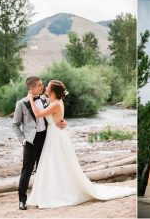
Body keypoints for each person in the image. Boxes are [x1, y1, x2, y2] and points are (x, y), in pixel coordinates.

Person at [26, 80, 135, 208]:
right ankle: (50, 191)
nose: (45, 87)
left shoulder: (56, 103)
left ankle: (58, 193)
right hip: (55, 134)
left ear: (53, 91)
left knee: (57, 163)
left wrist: (31, 100)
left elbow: (39, 114)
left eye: (48, 86)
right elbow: (56, 116)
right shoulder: (53, 101)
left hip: (55, 135)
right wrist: (62, 121)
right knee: (54, 163)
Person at [12, 76, 67, 210]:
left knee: (43, 169)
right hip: (30, 142)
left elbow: (56, 113)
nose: (42, 87)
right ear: (32, 88)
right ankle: (22, 200)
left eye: (43, 85)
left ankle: (42, 196)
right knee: (27, 171)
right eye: (39, 85)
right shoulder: (21, 103)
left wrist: (63, 122)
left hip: (46, 139)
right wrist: (23, 140)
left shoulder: (45, 99)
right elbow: (15, 125)